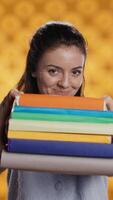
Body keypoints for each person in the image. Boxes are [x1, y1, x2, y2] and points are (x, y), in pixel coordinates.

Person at [0, 21, 113, 200]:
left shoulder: (98, 124)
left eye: (76, 72)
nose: (65, 84)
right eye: (53, 71)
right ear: (33, 70)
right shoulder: (17, 120)